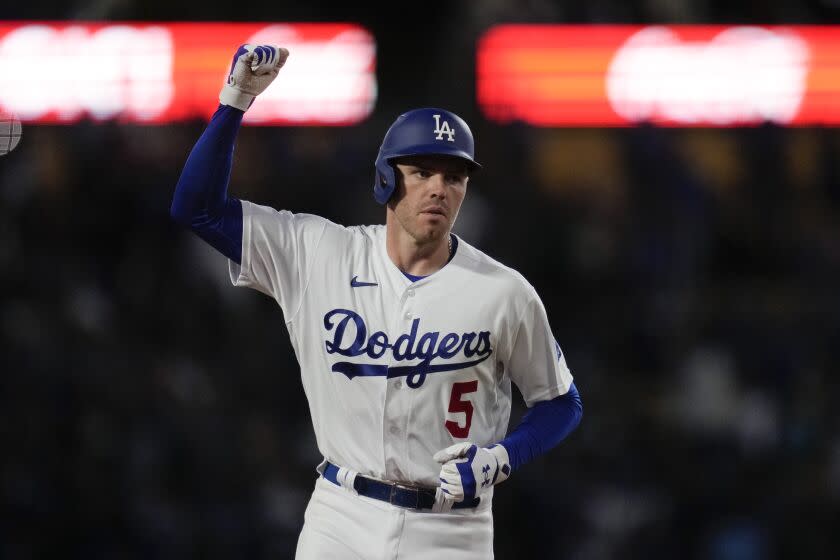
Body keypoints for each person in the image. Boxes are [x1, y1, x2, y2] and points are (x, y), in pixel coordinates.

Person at [170, 44, 583, 560]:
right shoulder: (320, 253)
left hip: (453, 530)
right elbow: (196, 208)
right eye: (422, 171)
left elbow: (562, 401)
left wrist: (502, 457)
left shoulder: (502, 290)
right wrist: (235, 101)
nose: (439, 188)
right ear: (387, 178)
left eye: (453, 176)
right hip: (342, 515)